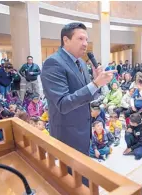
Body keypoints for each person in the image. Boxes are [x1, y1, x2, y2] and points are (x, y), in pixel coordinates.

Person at [41, 22, 116, 156]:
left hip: (84, 129)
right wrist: (95, 84)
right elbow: (63, 104)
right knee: (69, 176)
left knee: (83, 173)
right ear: (66, 40)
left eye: (86, 39)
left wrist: (96, 83)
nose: (85, 43)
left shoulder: (80, 62)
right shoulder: (53, 63)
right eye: (80, 38)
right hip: (67, 134)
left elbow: (88, 96)